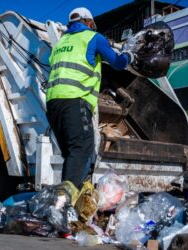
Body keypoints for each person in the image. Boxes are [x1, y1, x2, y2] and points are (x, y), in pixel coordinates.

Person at [45, 7, 134, 188]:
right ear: (89, 23)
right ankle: (64, 203)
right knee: (82, 149)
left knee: (72, 154)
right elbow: (118, 63)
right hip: (74, 100)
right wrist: (129, 55)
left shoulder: (61, 43)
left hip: (53, 104)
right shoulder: (93, 37)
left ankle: (72, 197)